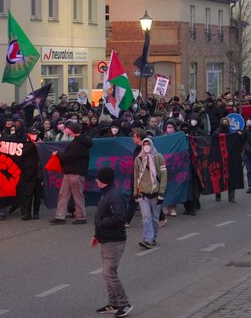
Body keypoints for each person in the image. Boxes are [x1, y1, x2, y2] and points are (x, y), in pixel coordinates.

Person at [91, 167, 132, 317]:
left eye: (98, 178)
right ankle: (113, 304)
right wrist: (97, 235)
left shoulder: (114, 195)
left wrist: (101, 223)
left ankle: (124, 304)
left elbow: (120, 217)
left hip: (115, 240)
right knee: (108, 273)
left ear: (103, 181)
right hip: (107, 238)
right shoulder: (107, 193)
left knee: (109, 272)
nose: (96, 180)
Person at [50, 122, 93, 224]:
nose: (66, 130)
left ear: (72, 130)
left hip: (76, 172)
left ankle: (81, 217)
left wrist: (59, 154)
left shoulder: (79, 143)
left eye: (67, 129)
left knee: (77, 195)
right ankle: (60, 216)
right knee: (63, 194)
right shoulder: (79, 141)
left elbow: (70, 157)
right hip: (70, 171)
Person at [133, 137, 167, 249]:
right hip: (143, 193)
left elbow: (164, 176)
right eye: (145, 144)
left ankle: (153, 237)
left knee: (155, 218)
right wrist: (136, 192)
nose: (147, 146)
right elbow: (136, 177)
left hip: (156, 193)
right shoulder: (138, 159)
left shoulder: (159, 157)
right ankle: (147, 239)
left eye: (148, 144)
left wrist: (162, 192)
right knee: (146, 217)